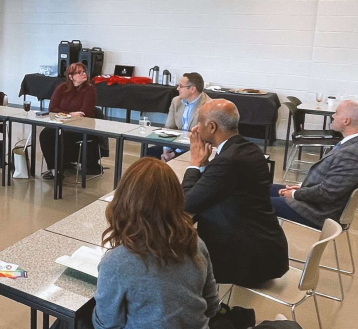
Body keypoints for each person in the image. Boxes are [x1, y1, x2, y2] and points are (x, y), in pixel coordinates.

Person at [44, 157, 219, 329]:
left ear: (125, 200)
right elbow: (212, 306)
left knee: (68, 326)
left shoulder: (120, 261)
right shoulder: (196, 244)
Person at [182, 99, 288, 286]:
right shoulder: (250, 149)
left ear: (212, 127)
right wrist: (205, 164)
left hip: (247, 259)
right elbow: (213, 188)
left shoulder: (229, 161)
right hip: (265, 247)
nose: (196, 127)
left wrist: (195, 164)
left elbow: (186, 203)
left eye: (199, 122)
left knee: (175, 264)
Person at [271, 99, 358, 229]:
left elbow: (328, 193)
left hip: (319, 213)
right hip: (316, 201)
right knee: (262, 188)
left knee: (254, 203)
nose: (333, 116)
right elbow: (329, 183)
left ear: (346, 121)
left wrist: (295, 194)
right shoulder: (349, 144)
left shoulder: (351, 153)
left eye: (336, 113)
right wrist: (300, 187)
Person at [38, 62, 100, 179]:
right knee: (45, 134)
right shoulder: (62, 88)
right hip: (62, 122)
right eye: (79, 72)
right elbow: (52, 109)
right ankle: (54, 169)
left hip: (82, 126)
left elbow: (85, 112)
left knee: (61, 136)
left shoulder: (90, 89)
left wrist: (64, 113)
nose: (83, 74)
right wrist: (70, 114)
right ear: (71, 77)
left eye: (84, 71)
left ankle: (61, 166)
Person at [146, 72, 210, 161]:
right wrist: (166, 151)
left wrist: (174, 154)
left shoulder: (208, 106)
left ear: (192, 89)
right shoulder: (176, 101)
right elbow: (169, 128)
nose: (177, 88)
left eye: (180, 86)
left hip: (194, 147)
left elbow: (200, 137)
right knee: (149, 153)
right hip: (175, 143)